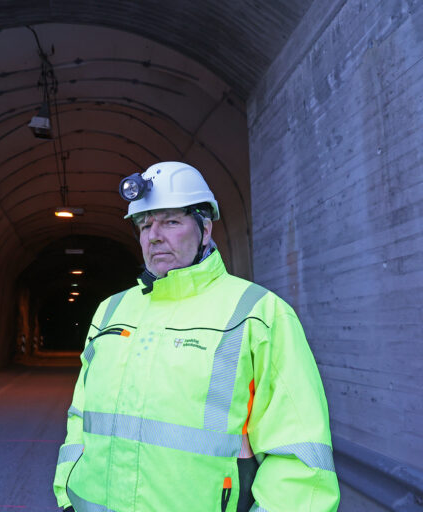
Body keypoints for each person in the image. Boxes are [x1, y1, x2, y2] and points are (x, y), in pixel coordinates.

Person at [52, 162, 340, 511]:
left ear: (205, 229)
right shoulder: (110, 311)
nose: (154, 235)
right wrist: (67, 497)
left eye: (171, 222)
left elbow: (299, 459)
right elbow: (81, 418)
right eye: (144, 224)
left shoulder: (258, 314)